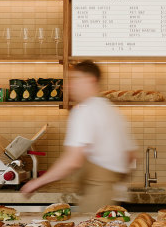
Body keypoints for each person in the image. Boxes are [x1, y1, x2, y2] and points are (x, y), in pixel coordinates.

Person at [21, 60, 136, 212]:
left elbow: (73, 161)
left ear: (91, 81)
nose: (69, 85)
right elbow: (131, 156)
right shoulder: (110, 110)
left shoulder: (85, 111)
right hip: (111, 195)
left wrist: (37, 183)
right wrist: (114, 179)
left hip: (97, 196)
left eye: (75, 79)